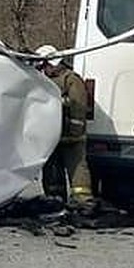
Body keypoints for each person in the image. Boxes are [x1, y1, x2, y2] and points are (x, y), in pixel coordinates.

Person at [35, 44, 93, 203]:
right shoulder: (43, 80)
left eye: (45, 65)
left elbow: (78, 105)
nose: (43, 69)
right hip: (53, 135)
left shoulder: (71, 79)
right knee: (52, 169)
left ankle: (83, 200)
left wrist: (74, 131)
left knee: (77, 168)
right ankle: (55, 198)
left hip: (71, 135)